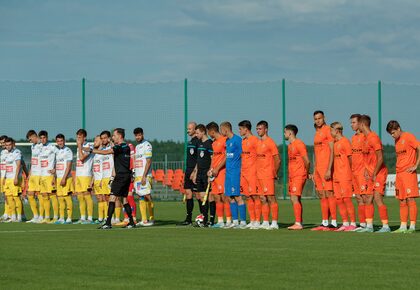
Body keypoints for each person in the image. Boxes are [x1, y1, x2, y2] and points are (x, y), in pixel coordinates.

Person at [95, 128, 136, 229]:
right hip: (125, 175)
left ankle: (108, 222)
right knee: (124, 200)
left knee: (112, 198)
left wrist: (92, 150)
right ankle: (131, 221)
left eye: (114, 135)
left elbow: (107, 152)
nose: (113, 137)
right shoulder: (124, 146)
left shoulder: (122, 146)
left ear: (120, 136)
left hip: (121, 176)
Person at [357, 115, 390, 233]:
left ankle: (386, 226)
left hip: (379, 173)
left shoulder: (373, 138)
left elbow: (380, 158)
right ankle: (369, 226)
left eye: (358, 124)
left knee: (377, 197)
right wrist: (366, 170)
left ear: (362, 125)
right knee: (368, 198)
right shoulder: (365, 139)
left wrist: (374, 173)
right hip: (370, 173)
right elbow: (366, 158)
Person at [386, 120, 419, 233]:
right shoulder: (397, 141)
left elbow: (419, 148)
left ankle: (412, 227)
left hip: (408, 173)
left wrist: (415, 165)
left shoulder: (409, 136)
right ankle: (403, 226)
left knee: (410, 198)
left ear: (399, 129)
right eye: (390, 133)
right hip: (399, 174)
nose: (392, 135)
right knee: (401, 200)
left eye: (393, 132)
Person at [310, 111, 337, 231]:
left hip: (326, 168)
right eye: (315, 119)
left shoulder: (328, 130)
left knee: (329, 193)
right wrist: (315, 170)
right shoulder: (317, 133)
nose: (317, 121)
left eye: (319, 118)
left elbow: (332, 150)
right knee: (322, 195)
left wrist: (329, 169)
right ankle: (325, 222)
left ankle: (334, 222)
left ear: (324, 118)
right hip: (318, 169)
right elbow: (316, 154)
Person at [330, 122, 357, 231]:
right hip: (337, 175)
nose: (330, 133)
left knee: (347, 199)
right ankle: (345, 223)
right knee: (339, 199)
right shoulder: (335, 143)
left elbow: (351, 159)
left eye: (331, 130)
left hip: (345, 175)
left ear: (336, 131)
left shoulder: (345, 142)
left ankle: (353, 223)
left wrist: (352, 173)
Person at [284, 124, 310, 230]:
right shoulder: (290, 146)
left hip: (299, 175)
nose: (284, 134)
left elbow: (307, 161)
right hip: (292, 175)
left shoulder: (299, 144)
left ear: (290, 133)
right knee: (295, 198)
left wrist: (307, 173)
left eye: (285, 132)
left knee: (294, 197)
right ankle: (299, 222)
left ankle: (298, 223)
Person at [220, 122, 245, 229]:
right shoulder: (227, 141)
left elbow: (243, 155)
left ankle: (243, 222)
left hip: (235, 172)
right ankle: (235, 221)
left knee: (237, 196)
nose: (221, 132)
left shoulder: (238, 140)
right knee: (230, 197)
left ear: (226, 129)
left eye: (221, 130)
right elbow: (227, 156)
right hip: (228, 173)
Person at [256, 121, 280, 230]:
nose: (258, 131)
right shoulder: (258, 143)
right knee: (262, 198)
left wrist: (274, 172)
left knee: (271, 198)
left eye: (260, 129)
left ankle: (274, 222)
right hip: (259, 175)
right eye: (257, 129)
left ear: (266, 129)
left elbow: (277, 159)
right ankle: (265, 221)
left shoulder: (270, 142)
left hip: (268, 175)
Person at [238, 120, 261, 229]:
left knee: (255, 196)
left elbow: (260, 156)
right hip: (244, 173)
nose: (239, 131)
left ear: (246, 129)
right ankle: (252, 220)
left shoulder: (255, 140)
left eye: (240, 129)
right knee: (247, 197)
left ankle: (257, 221)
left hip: (253, 172)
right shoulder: (243, 141)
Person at [206, 122, 229, 228]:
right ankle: (220, 221)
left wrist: (217, 168)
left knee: (224, 197)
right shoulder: (214, 143)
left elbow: (226, 156)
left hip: (222, 172)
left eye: (208, 132)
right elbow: (213, 158)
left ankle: (228, 221)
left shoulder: (224, 140)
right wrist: (210, 170)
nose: (208, 134)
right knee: (216, 196)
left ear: (212, 131)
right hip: (214, 173)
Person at [192, 124, 213, 227]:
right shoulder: (199, 143)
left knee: (207, 197)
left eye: (197, 133)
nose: (196, 135)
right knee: (200, 196)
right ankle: (204, 217)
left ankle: (209, 219)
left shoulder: (209, 143)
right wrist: (195, 172)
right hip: (199, 173)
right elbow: (198, 160)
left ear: (203, 132)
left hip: (206, 173)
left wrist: (210, 171)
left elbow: (213, 159)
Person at [133, 127, 154, 227]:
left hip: (145, 175)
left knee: (147, 196)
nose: (137, 137)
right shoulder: (137, 147)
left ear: (143, 134)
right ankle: (144, 220)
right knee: (140, 196)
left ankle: (152, 218)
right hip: (138, 176)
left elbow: (149, 161)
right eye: (136, 135)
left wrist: (144, 176)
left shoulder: (147, 145)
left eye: (139, 135)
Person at [179, 122, 199, 226]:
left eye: (190, 129)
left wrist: (195, 171)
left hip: (195, 172)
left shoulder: (198, 142)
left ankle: (202, 217)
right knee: (188, 194)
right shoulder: (190, 141)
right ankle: (188, 219)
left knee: (198, 194)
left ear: (195, 130)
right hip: (188, 170)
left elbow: (199, 158)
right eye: (187, 129)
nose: (188, 131)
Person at [349, 114, 367, 230]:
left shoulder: (366, 137)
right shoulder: (354, 138)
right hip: (354, 172)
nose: (351, 125)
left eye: (353, 122)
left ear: (360, 123)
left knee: (365, 198)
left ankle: (368, 223)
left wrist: (366, 169)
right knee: (358, 198)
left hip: (363, 172)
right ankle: (362, 224)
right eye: (351, 123)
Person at [93, 131, 114, 224]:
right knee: (106, 198)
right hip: (104, 177)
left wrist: (113, 175)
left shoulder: (112, 148)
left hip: (110, 176)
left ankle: (113, 218)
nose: (103, 140)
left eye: (105, 138)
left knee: (111, 198)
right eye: (102, 138)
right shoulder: (103, 150)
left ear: (109, 138)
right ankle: (107, 217)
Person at [75, 129, 94, 224]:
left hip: (86, 174)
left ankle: (90, 218)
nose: (78, 139)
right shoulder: (79, 147)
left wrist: (79, 146)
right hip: (78, 175)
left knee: (87, 196)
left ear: (84, 137)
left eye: (80, 137)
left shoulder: (89, 146)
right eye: (77, 137)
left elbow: (82, 158)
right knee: (80, 197)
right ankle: (82, 217)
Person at [39, 130, 59, 223]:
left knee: (52, 196)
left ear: (47, 137)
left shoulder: (52, 147)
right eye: (41, 138)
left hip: (50, 176)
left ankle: (55, 217)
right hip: (42, 176)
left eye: (44, 137)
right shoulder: (39, 147)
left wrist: (55, 169)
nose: (43, 139)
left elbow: (60, 156)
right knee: (44, 196)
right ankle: (47, 217)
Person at [54, 134, 74, 224]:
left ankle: (69, 218)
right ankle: (61, 217)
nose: (60, 143)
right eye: (58, 141)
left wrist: (64, 178)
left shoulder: (68, 151)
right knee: (60, 198)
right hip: (58, 178)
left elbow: (69, 166)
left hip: (66, 178)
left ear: (64, 141)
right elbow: (58, 165)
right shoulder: (57, 151)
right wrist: (55, 176)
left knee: (67, 197)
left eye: (61, 141)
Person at [3, 138, 23, 222]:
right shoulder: (6, 153)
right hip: (7, 178)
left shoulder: (16, 152)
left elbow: (18, 165)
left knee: (16, 197)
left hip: (14, 179)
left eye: (9, 145)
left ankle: (19, 217)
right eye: (6, 145)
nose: (8, 147)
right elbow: (6, 167)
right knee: (9, 198)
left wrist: (16, 177)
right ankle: (13, 216)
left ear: (12, 144)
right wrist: (4, 177)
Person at [25, 130, 43, 223]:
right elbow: (33, 160)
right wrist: (30, 173)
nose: (30, 141)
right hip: (33, 174)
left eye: (30, 139)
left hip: (40, 174)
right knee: (30, 194)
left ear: (34, 136)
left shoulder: (42, 145)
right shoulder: (33, 146)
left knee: (40, 195)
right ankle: (35, 216)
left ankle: (41, 216)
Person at [0, 135, 10, 221]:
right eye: (1, 143)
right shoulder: (2, 152)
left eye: (3, 142)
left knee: (9, 196)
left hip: (7, 177)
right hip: (2, 177)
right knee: (5, 196)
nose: (2, 144)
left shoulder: (9, 152)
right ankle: (6, 213)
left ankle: (9, 213)